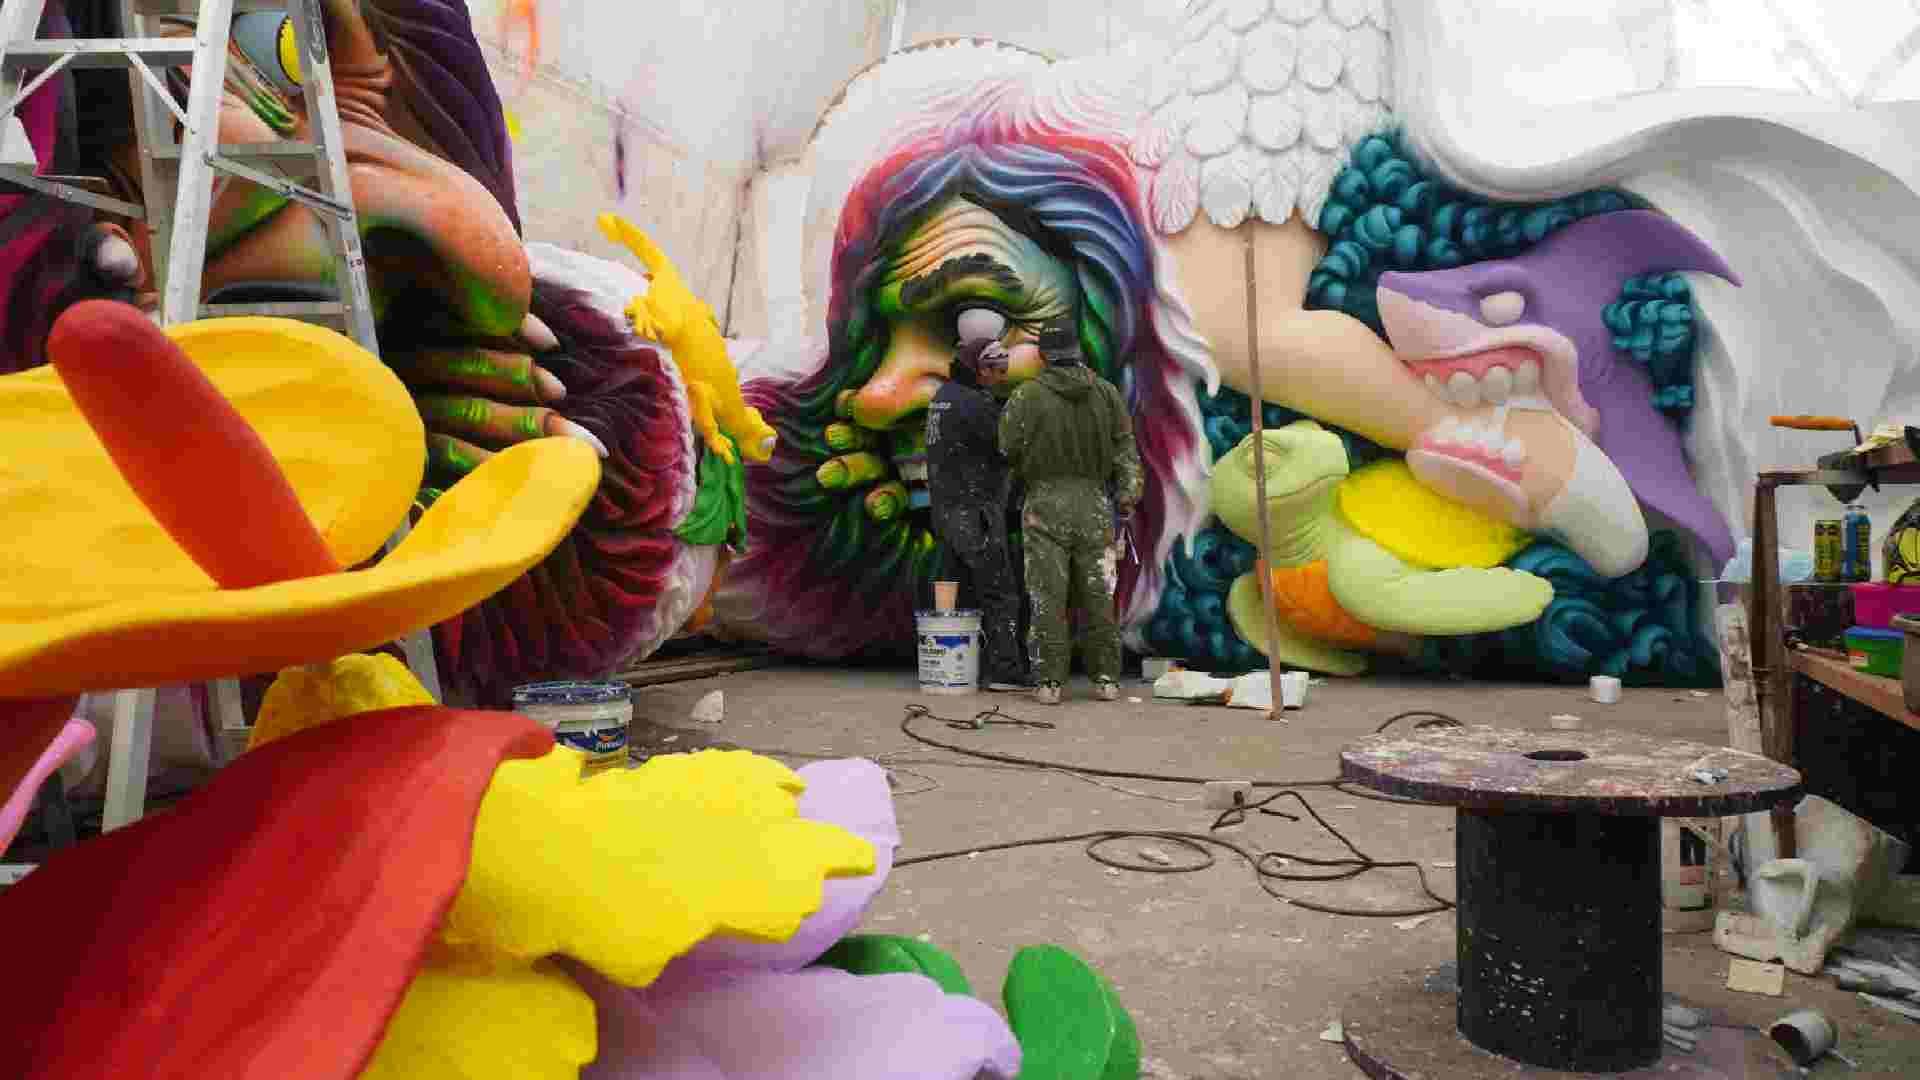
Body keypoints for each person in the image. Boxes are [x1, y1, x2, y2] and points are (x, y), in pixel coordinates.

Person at [999, 319, 1142, 705]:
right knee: (1099, 594)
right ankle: (1106, 679)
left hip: (1044, 505)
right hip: (1095, 507)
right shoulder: (1108, 395)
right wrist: (1126, 496)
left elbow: (1007, 447)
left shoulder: (1027, 396)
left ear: (1044, 354)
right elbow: (1125, 451)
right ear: (1078, 350)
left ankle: (1049, 683)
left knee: (1047, 596)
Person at [925, 338, 1031, 691]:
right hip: (975, 513)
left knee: (958, 594)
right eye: (995, 371)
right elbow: (1006, 448)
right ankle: (1004, 671)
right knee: (1000, 593)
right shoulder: (974, 403)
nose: (999, 378)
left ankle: (958, 669)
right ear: (978, 367)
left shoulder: (943, 396)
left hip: (946, 511)